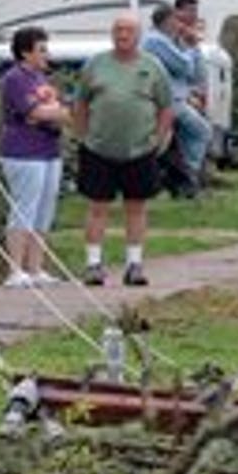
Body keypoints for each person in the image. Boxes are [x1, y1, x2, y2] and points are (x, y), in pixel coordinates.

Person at [74, 15, 174, 286]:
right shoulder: (96, 65)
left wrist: (158, 138)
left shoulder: (152, 66)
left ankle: (134, 264)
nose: (122, 35)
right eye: (117, 30)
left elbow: (166, 106)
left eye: (128, 30)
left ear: (139, 35)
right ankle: (94, 264)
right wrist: (82, 136)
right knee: (97, 206)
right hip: (98, 148)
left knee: (136, 207)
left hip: (140, 149)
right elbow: (80, 103)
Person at [0, 26, 70, 288]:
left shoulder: (41, 78)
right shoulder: (16, 79)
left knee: (44, 209)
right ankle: (15, 268)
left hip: (48, 149)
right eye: (41, 49)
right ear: (25, 52)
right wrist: (53, 111)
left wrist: (54, 111)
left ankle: (36, 267)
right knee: (25, 207)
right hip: (23, 152)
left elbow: (54, 111)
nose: (45, 54)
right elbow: (35, 112)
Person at [140, 0, 211, 195]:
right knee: (200, 131)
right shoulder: (155, 40)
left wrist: (191, 47)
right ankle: (189, 178)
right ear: (168, 20)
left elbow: (196, 74)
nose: (180, 23)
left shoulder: (170, 41)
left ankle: (183, 180)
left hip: (177, 99)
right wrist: (191, 46)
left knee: (168, 144)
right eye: (176, 20)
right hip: (166, 101)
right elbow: (183, 66)